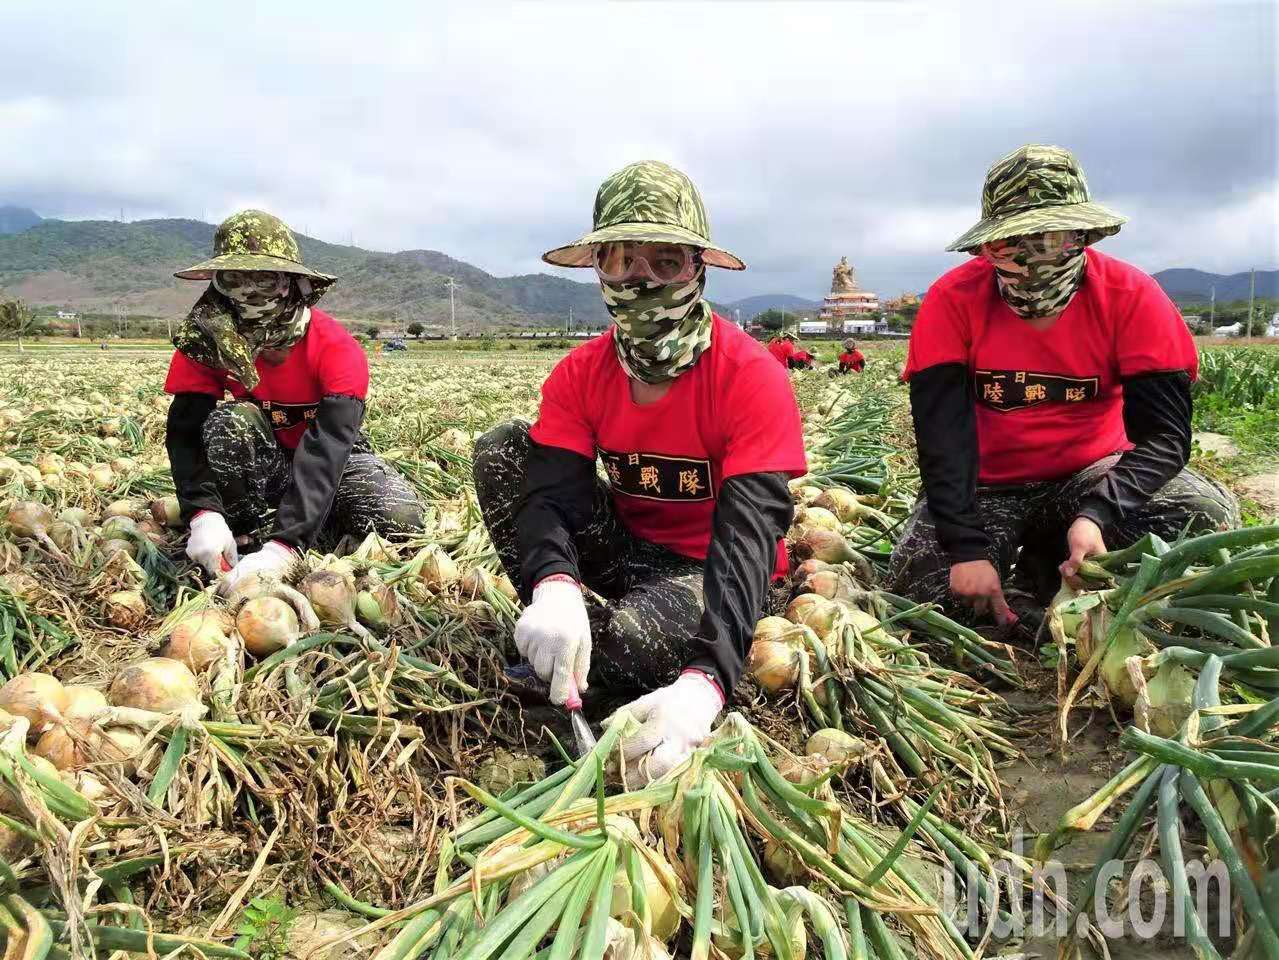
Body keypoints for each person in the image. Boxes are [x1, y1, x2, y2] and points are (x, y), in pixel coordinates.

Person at [473, 161, 806, 781]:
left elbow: (749, 535)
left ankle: (590, 660)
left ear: (698, 269)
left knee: (627, 644)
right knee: (503, 451)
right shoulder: (580, 373)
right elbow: (548, 494)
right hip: (629, 548)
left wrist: (706, 684)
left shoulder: (750, 375)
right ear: (598, 269)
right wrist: (553, 582)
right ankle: (568, 630)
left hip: (713, 567)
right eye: (622, 261)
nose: (641, 280)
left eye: (665, 262)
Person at [888, 145, 1237, 633]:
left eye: (1048, 242)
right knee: (923, 589)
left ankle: (1051, 553)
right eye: (1012, 245)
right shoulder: (952, 300)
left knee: (1202, 513)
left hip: (1091, 473)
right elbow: (941, 437)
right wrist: (966, 548)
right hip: (988, 484)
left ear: (1081, 236)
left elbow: (1165, 439)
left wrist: (1098, 512)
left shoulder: (1132, 297)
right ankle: (1034, 589)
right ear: (988, 246)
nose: (1031, 262)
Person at [164, 210, 424, 590]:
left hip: (336, 463)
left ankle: (303, 527)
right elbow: (185, 431)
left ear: (294, 284)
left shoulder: (336, 348)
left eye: (264, 279)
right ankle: (240, 534)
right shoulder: (208, 342)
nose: (249, 293)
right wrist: (202, 512)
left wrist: (285, 547)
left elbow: (328, 448)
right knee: (230, 422)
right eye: (234, 279)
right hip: (263, 462)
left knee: (399, 521)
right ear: (217, 284)